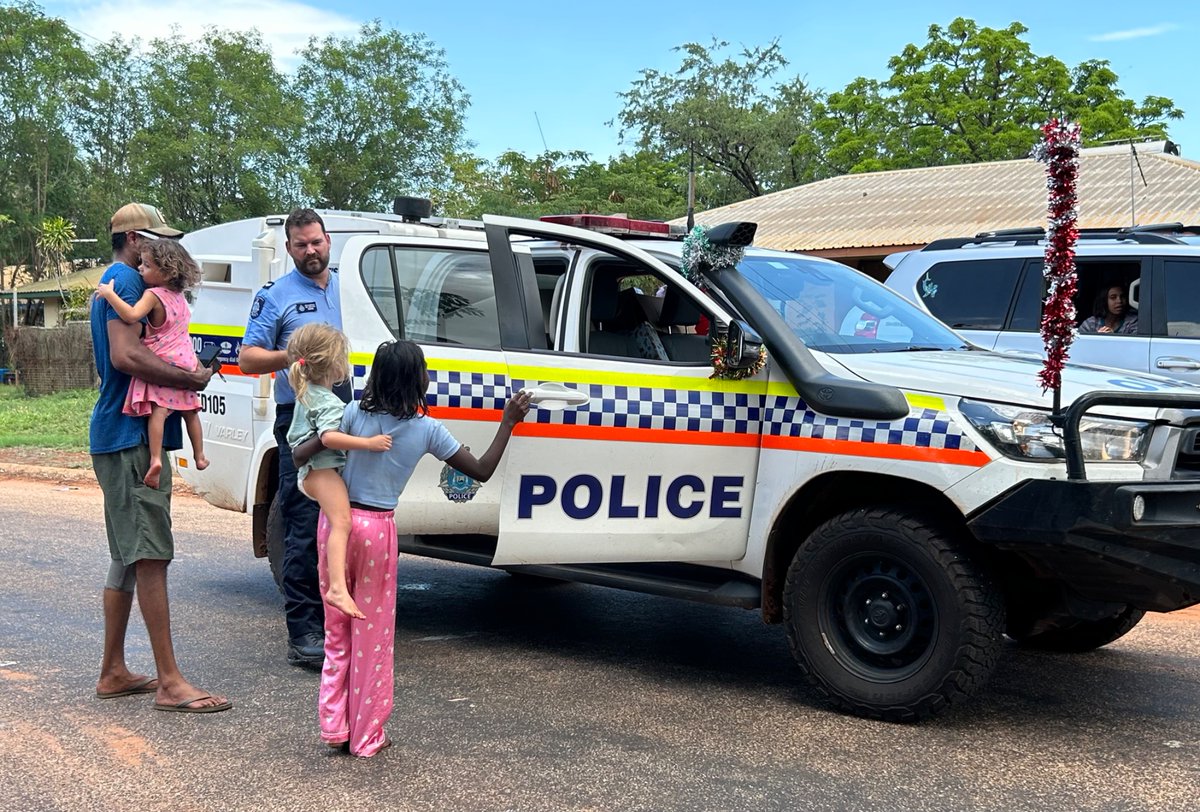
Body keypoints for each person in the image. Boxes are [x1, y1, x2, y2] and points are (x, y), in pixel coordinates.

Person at [303, 340, 530, 757]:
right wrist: (508, 422)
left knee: (337, 631)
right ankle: (367, 735)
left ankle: (334, 726)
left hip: (335, 524)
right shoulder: (426, 429)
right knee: (371, 637)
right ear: (417, 379)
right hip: (376, 532)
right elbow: (480, 469)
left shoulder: (352, 413)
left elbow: (309, 449)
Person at [91, 202, 231, 713]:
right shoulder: (129, 283)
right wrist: (192, 378)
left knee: (127, 553)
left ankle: (112, 671)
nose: (159, 250)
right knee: (150, 553)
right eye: (152, 240)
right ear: (132, 238)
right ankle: (171, 683)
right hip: (129, 436)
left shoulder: (121, 280)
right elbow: (127, 356)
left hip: (119, 434)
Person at [239, 208, 344, 670]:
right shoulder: (275, 295)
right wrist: (295, 355)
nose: (310, 251)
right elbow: (247, 359)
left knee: (345, 518)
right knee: (302, 525)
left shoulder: (350, 286)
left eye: (316, 242)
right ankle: (305, 632)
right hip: (298, 415)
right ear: (288, 249)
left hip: (347, 409)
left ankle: (340, 620)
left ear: (328, 240)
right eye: (300, 245)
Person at [284, 323, 392, 620]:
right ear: (335, 364)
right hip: (322, 471)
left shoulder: (308, 393)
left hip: (312, 471)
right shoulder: (330, 401)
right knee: (342, 523)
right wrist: (367, 443)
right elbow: (329, 437)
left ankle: (336, 582)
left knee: (336, 524)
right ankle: (337, 588)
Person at [96, 239, 207, 489]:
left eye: (146, 266)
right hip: (186, 360)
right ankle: (199, 455)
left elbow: (131, 315)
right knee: (190, 413)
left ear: (165, 272)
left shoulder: (152, 295)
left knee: (159, 411)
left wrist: (109, 295)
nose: (140, 270)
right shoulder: (180, 298)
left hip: (165, 358)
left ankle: (155, 458)